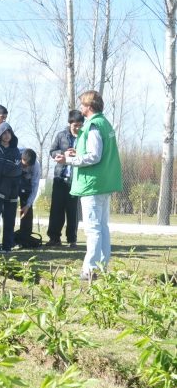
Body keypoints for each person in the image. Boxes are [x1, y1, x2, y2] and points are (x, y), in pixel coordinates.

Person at [54, 90, 122, 280]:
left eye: (83, 105)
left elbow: (94, 156)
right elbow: (96, 151)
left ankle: (90, 269)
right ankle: (101, 266)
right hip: (103, 182)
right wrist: (76, 153)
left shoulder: (92, 125)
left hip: (91, 184)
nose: (81, 108)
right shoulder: (104, 123)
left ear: (89, 107)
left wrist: (67, 161)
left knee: (92, 228)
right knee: (102, 226)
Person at [47, 110, 85, 247]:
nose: (78, 128)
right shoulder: (61, 135)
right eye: (75, 125)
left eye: (80, 125)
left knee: (73, 211)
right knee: (56, 209)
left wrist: (77, 154)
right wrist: (64, 153)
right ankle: (54, 238)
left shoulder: (84, 137)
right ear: (70, 123)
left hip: (75, 180)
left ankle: (72, 239)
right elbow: (52, 151)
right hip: (60, 178)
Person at [0, 122, 22, 253]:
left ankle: (7, 246)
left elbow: (18, 169)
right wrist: (9, 165)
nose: (7, 136)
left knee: (10, 219)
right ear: (0, 134)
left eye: (9, 133)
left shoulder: (16, 150)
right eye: (4, 133)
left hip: (13, 190)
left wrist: (4, 165)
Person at [17, 148, 41, 245]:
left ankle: (25, 236)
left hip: (26, 183)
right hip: (13, 180)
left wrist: (28, 204)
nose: (25, 167)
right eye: (23, 165)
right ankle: (8, 237)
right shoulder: (15, 155)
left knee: (27, 208)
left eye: (28, 166)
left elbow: (35, 186)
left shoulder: (36, 166)